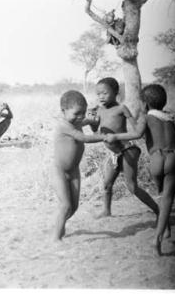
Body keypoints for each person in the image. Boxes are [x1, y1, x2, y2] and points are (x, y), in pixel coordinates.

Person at [106, 84, 175, 256]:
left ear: (145, 104)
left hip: (156, 159)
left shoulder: (146, 117)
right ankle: (158, 238)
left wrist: (115, 136)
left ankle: (166, 227)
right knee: (168, 199)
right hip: (172, 158)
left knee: (162, 196)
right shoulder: (170, 117)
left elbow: (137, 134)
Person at [87, 77, 160, 220]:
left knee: (132, 186)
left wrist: (117, 137)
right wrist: (91, 121)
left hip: (128, 150)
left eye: (105, 93)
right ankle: (106, 211)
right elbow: (96, 131)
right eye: (98, 94)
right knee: (107, 185)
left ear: (115, 92)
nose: (101, 97)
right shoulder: (99, 110)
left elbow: (135, 131)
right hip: (114, 153)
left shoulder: (121, 108)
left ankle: (158, 210)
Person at [52, 90, 110, 244]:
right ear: (63, 111)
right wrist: (103, 137)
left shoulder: (76, 122)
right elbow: (83, 137)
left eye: (83, 113)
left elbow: (87, 122)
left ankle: (60, 224)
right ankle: (56, 238)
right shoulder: (64, 125)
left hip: (74, 171)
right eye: (77, 113)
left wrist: (92, 120)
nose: (80, 117)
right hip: (60, 171)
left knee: (74, 207)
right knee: (66, 205)